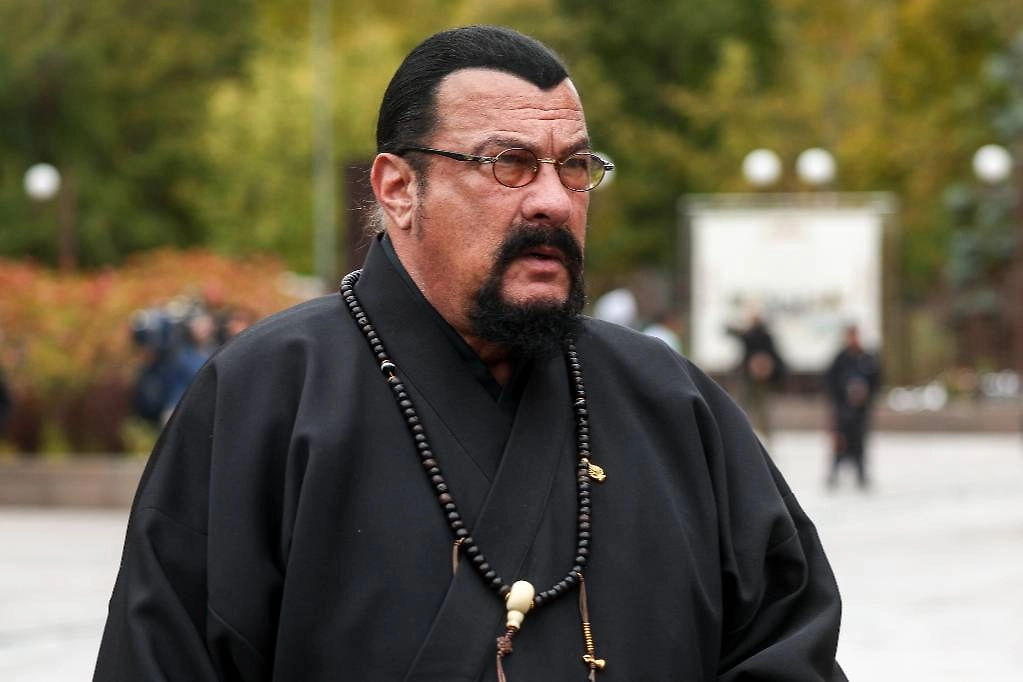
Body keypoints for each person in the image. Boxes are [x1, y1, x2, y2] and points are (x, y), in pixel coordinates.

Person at [95, 26, 846, 681]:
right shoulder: (264, 399)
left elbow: (786, 644)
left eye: (574, 166)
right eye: (508, 163)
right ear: (398, 188)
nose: (553, 200)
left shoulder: (671, 403)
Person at [825, 323, 882, 490]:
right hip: (843, 410)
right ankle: (834, 472)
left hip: (860, 411)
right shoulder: (840, 358)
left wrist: (865, 395)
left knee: (859, 443)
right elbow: (830, 381)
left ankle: (861, 473)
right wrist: (842, 394)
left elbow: (876, 380)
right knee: (840, 442)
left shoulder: (867, 358)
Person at [726, 312, 787, 442]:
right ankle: (765, 435)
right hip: (758, 376)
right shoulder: (766, 337)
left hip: (753, 375)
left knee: (746, 405)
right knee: (759, 407)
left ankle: (738, 431)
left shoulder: (751, 336)